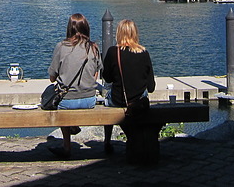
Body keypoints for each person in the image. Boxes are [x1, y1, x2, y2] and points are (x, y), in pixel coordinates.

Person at [47, 13, 102, 159]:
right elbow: (95, 76)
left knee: (59, 98)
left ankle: (67, 146)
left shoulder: (61, 46)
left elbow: (52, 78)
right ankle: (73, 126)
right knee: (73, 101)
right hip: (89, 99)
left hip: (67, 100)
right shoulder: (94, 48)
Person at [101, 19, 155, 154]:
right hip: (138, 102)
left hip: (119, 99)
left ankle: (107, 141)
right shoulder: (144, 52)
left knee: (107, 99)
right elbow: (151, 87)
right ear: (135, 33)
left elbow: (107, 78)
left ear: (118, 34)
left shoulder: (113, 52)